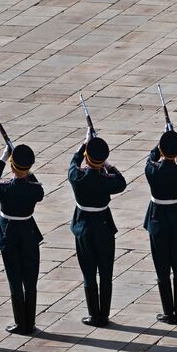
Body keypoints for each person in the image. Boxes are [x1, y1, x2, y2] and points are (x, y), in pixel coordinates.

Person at [69, 137, 127, 326]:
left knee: (88, 272)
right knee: (106, 271)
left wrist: (83, 147)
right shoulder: (106, 180)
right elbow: (121, 182)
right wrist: (107, 165)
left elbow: (73, 164)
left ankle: (94, 315)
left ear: (87, 157)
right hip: (103, 225)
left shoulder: (77, 177)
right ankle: (104, 315)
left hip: (83, 226)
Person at [0, 143, 45, 334]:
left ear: (12, 167)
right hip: (28, 233)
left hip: (9, 234)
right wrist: (26, 170)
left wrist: (3, 158)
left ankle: (20, 323)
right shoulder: (34, 190)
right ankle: (30, 322)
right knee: (30, 280)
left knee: (15, 279)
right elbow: (38, 188)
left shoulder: (4, 190)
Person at [144, 131, 177, 323]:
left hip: (157, 217)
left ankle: (168, 312)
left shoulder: (152, 170)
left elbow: (151, 158)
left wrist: (160, 147)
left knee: (162, 266)